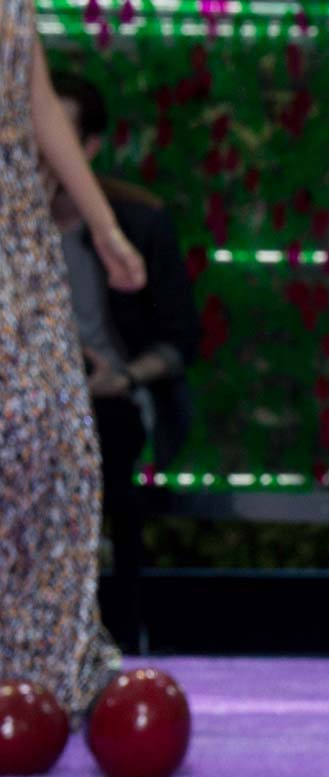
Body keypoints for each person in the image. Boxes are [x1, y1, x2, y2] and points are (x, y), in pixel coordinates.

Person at [0, 0, 144, 721]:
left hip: (18, 226)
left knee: (61, 442)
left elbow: (39, 104)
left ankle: (42, 654)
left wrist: (104, 225)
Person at [43, 68, 200, 652]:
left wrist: (120, 377)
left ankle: (116, 635)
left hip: (109, 401)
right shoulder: (16, 227)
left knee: (103, 436)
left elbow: (179, 337)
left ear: (87, 147)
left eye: (56, 135)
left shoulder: (135, 224)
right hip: (28, 401)